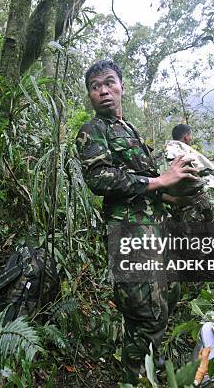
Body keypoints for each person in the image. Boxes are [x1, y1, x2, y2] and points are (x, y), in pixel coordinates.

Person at [75, 60, 198, 383]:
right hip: (129, 233)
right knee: (145, 313)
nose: (103, 91)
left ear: (121, 87)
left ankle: (148, 370)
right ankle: (135, 378)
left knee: (166, 299)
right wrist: (160, 181)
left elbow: (146, 186)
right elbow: (100, 180)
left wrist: (176, 193)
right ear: (90, 95)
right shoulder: (93, 130)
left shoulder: (128, 129)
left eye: (109, 82)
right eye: (95, 86)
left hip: (155, 229)